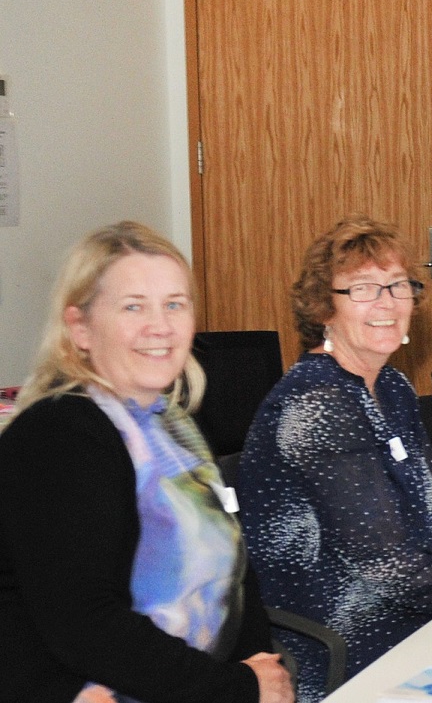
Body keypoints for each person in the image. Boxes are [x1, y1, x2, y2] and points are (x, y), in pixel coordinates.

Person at [0, 222, 292, 702]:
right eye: (133, 306)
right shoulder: (60, 436)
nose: (160, 326)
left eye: (174, 304)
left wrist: (257, 668)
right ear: (80, 328)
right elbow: (86, 625)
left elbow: (233, 574)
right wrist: (238, 687)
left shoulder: (173, 425)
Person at [239, 217, 432, 698]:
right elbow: (382, 561)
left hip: (424, 607)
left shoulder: (394, 387)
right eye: (362, 289)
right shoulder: (316, 402)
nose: (386, 303)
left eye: (397, 285)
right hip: (354, 634)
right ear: (325, 308)